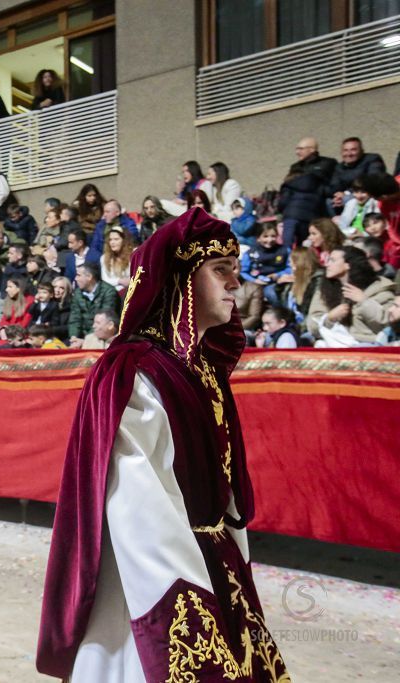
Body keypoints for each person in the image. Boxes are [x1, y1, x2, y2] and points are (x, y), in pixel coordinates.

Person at [37, 207, 291, 682]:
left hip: (217, 562)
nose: (235, 283)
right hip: (157, 575)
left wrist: (233, 559)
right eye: (220, 271)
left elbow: (225, 487)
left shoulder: (203, 373)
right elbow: (138, 499)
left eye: (235, 270)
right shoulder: (135, 371)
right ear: (183, 280)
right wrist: (189, 600)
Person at [306, 245, 395, 347]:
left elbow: (386, 324)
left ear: (348, 265)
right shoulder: (324, 290)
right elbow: (312, 325)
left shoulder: (379, 288)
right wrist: (329, 318)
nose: (327, 264)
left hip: (368, 347)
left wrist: (364, 301)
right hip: (332, 345)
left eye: (332, 260)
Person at [277, 136, 337, 246]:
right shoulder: (295, 166)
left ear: (312, 149)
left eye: (301, 149)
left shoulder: (328, 163)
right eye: (297, 149)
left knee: (304, 243)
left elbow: (333, 184)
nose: (297, 152)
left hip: (317, 209)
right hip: (300, 211)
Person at [67, 261, 119, 348]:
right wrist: (74, 337)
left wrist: (86, 339)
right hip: (82, 337)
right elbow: (75, 318)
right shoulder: (77, 293)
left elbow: (104, 321)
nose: (75, 278)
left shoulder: (109, 292)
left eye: (79, 275)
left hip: (102, 335)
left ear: (89, 277)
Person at [328, 137, 386, 211]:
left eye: (353, 150)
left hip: (368, 194)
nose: (349, 154)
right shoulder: (339, 167)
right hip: (347, 196)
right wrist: (337, 195)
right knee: (329, 202)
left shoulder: (372, 159)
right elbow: (334, 186)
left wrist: (347, 193)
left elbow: (373, 179)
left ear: (362, 151)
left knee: (347, 199)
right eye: (345, 150)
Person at [240, 224, 291, 306]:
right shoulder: (251, 253)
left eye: (273, 236)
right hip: (257, 282)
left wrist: (278, 275)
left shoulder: (284, 250)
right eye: (265, 236)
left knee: (278, 294)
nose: (269, 239)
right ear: (258, 238)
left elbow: (290, 267)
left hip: (278, 281)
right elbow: (243, 272)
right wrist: (254, 280)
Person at [99, 225, 134, 293]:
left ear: (123, 241)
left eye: (116, 239)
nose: (112, 242)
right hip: (111, 293)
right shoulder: (103, 258)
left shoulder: (132, 256)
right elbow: (105, 279)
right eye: (110, 239)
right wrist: (119, 281)